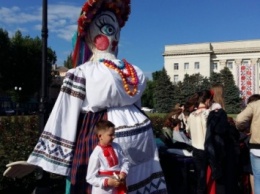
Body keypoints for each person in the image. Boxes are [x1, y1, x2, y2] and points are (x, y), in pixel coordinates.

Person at [3, 1, 167, 194]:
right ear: (88, 36)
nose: (113, 36)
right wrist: (39, 159)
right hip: (99, 134)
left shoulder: (130, 70)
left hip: (139, 155)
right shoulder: (84, 72)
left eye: (115, 30)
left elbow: (137, 105)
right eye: (107, 28)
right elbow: (64, 114)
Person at [86, 120, 129, 194]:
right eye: (110, 135)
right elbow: (90, 178)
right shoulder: (96, 154)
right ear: (100, 136)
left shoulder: (117, 147)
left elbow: (125, 161)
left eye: (114, 134)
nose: (114, 137)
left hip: (119, 187)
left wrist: (123, 173)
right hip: (103, 191)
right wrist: (107, 182)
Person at [185, 90, 213, 194]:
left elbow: (188, 131)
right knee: (207, 178)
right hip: (206, 149)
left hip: (195, 149)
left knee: (199, 178)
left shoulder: (192, 115)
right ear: (208, 100)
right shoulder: (208, 113)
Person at [237, 94, 260, 194]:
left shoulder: (255, 105)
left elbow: (239, 119)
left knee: (257, 179)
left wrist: (243, 128)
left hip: (256, 146)